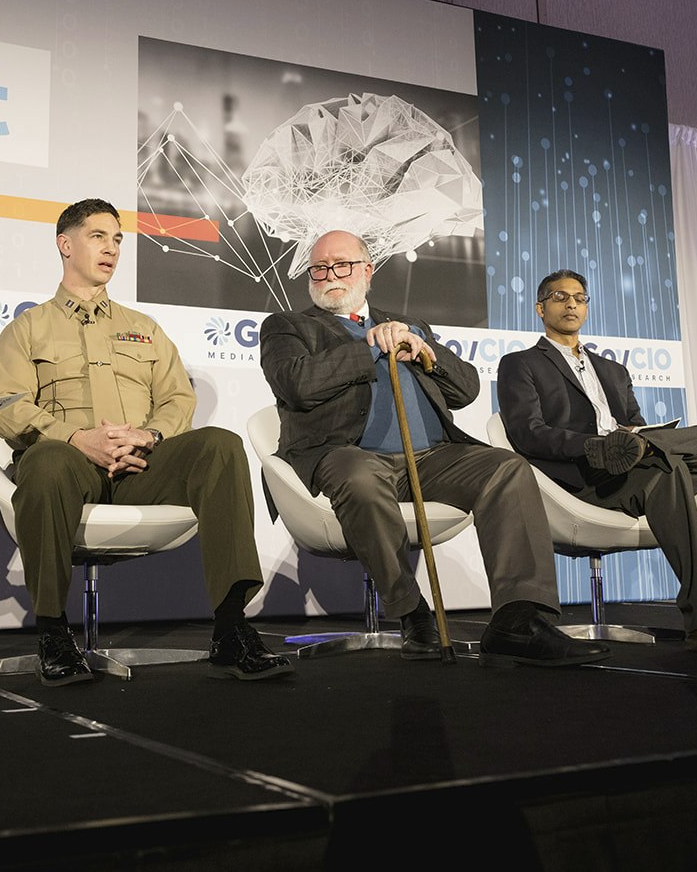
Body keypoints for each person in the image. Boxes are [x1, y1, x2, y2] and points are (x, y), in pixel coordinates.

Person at [259, 230, 609, 667]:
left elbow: (466, 390)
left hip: (431, 459)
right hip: (345, 454)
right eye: (319, 268)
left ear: (367, 270)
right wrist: (370, 346)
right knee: (361, 477)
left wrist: (428, 354)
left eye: (342, 265)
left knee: (505, 468)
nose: (330, 275)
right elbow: (296, 385)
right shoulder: (289, 326)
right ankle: (412, 613)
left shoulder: (410, 325)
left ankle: (518, 620)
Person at [0, 199, 293, 686]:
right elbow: (7, 407)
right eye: (97, 237)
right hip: (69, 464)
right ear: (65, 245)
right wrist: (76, 438)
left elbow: (177, 398)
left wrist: (147, 436)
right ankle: (52, 632)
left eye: (117, 240)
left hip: (141, 465)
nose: (111, 248)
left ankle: (231, 627)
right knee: (44, 462)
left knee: (220, 445)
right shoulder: (26, 328)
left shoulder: (144, 328)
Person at [498, 270, 697, 654]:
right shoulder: (520, 364)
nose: (571, 304)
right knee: (666, 470)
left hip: (632, 467)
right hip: (584, 479)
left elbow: (636, 422)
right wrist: (595, 446)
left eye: (580, 298)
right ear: (540, 308)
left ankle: (644, 448)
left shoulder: (613, 370)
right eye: (560, 297)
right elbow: (528, 433)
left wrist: (638, 438)